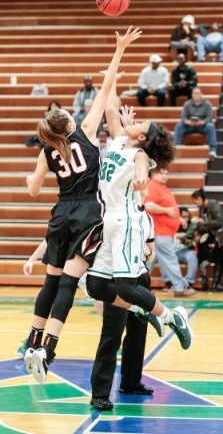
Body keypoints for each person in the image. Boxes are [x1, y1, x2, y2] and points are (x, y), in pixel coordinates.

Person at [23, 26, 142, 385]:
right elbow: (105, 91)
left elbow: (32, 190)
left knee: (50, 281)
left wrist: (28, 181)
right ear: (70, 123)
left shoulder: (47, 150)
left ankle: (31, 341)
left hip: (60, 213)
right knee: (68, 285)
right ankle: (49, 350)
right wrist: (119, 50)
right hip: (88, 213)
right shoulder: (85, 131)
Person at [86, 75, 194, 359]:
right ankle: (145, 310)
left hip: (126, 221)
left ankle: (172, 317)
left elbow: (143, 168)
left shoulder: (139, 155)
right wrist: (116, 63)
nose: (135, 121)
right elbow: (110, 103)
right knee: (95, 286)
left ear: (143, 138)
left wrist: (141, 180)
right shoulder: (120, 140)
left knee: (125, 285)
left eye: (141, 124)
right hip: (107, 219)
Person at [90, 212, 156, 411]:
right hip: (115, 279)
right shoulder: (109, 214)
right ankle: (100, 393)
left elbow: (151, 254)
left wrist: (143, 249)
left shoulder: (147, 218)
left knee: (138, 332)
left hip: (140, 278)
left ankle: (131, 382)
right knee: (112, 333)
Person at [144, 169, 196, 297]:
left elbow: (169, 207)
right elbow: (149, 205)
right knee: (170, 259)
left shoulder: (162, 187)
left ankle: (138, 287)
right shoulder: (153, 186)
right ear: (154, 174)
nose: (165, 176)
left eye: (167, 173)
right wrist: (167, 211)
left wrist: (177, 217)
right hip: (159, 232)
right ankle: (179, 288)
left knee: (149, 262)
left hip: (161, 232)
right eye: (162, 173)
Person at [191, 189, 223, 292]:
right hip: (217, 238)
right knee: (218, 260)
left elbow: (219, 221)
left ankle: (220, 284)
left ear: (202, 197)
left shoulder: (213, 204)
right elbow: (208, 226)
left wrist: (204, 222)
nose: (197, 202)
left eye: (198, 199)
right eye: (195, 201)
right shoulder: (202, 209)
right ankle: (214, 284)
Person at [174, 86, 217, 158]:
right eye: (194, 93)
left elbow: (209, 117)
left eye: (198, 93)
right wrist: (187, 122)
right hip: (190, 125)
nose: (196, 95)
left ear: (201, 94)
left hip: (202, 125)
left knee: (211, 126)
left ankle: (212, 150)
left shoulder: (207, 104)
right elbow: (183, 117)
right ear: (192, 94)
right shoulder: (187, 104)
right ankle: (176, 150)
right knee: (178, 126)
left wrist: (203, 122)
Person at [175, 207, 198, 288]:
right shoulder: (172, 225)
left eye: (187, 217)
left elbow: (195, 242)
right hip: (172, 251)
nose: (186, 219)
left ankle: (189, 282)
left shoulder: (192, 226)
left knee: (193, 256)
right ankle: (168, 283)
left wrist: (185, 240)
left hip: (186, 251)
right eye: (183, 217)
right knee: (163, 257)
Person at [193, 224, 215, 291]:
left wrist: (197, 253)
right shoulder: (200, 239)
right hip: (204, 258)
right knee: (201, 265)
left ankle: (205, 282)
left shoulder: (204, 240)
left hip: (209, 258)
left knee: (202, 266)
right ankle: (204, 282)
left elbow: (205, 252)